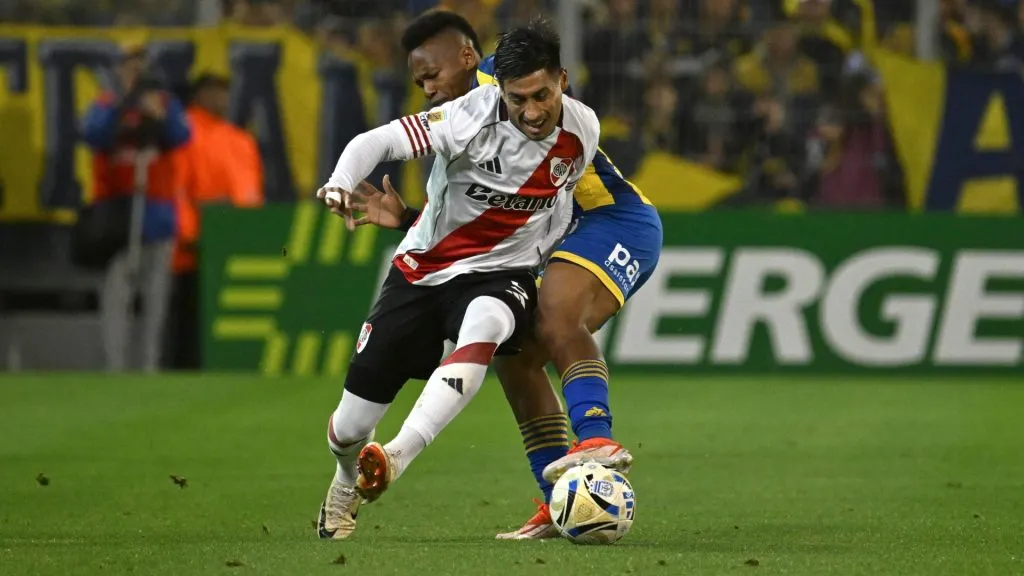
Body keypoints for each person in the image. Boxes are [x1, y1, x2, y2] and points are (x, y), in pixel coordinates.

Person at [336, 11, 663, 540]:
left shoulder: (507, 82)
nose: (428, 90)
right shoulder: (476, 112)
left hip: (613, 218)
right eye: (418, 82)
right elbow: (490, 219)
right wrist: (405, 221)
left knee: (557, 315)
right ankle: (562, 502)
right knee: (516, 356)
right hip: (558, 227)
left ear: (468, 60)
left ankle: (597, 437)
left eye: (432, 76)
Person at [80, 42, 191, 372]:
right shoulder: (106, 103)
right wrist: (123, 104)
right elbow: (92, 133)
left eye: (139, 63)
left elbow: (180, 135)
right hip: (118, 217)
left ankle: (148, 368)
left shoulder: (162, 102)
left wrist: (155, 112)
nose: (135, 70)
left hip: (157, 215)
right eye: (128, 63)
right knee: (117, 297)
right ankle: (114, 368)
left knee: (155, 302)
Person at [167, 73, 263, 370]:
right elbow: (176, 189)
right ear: (199, 94)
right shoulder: (184, 134)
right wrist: (191, 235)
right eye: (214, 91)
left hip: (235, 248)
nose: (221, 98)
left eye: (225, 90)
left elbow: (252, 195)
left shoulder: (239, 139)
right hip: (194, 254)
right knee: (190, 334)